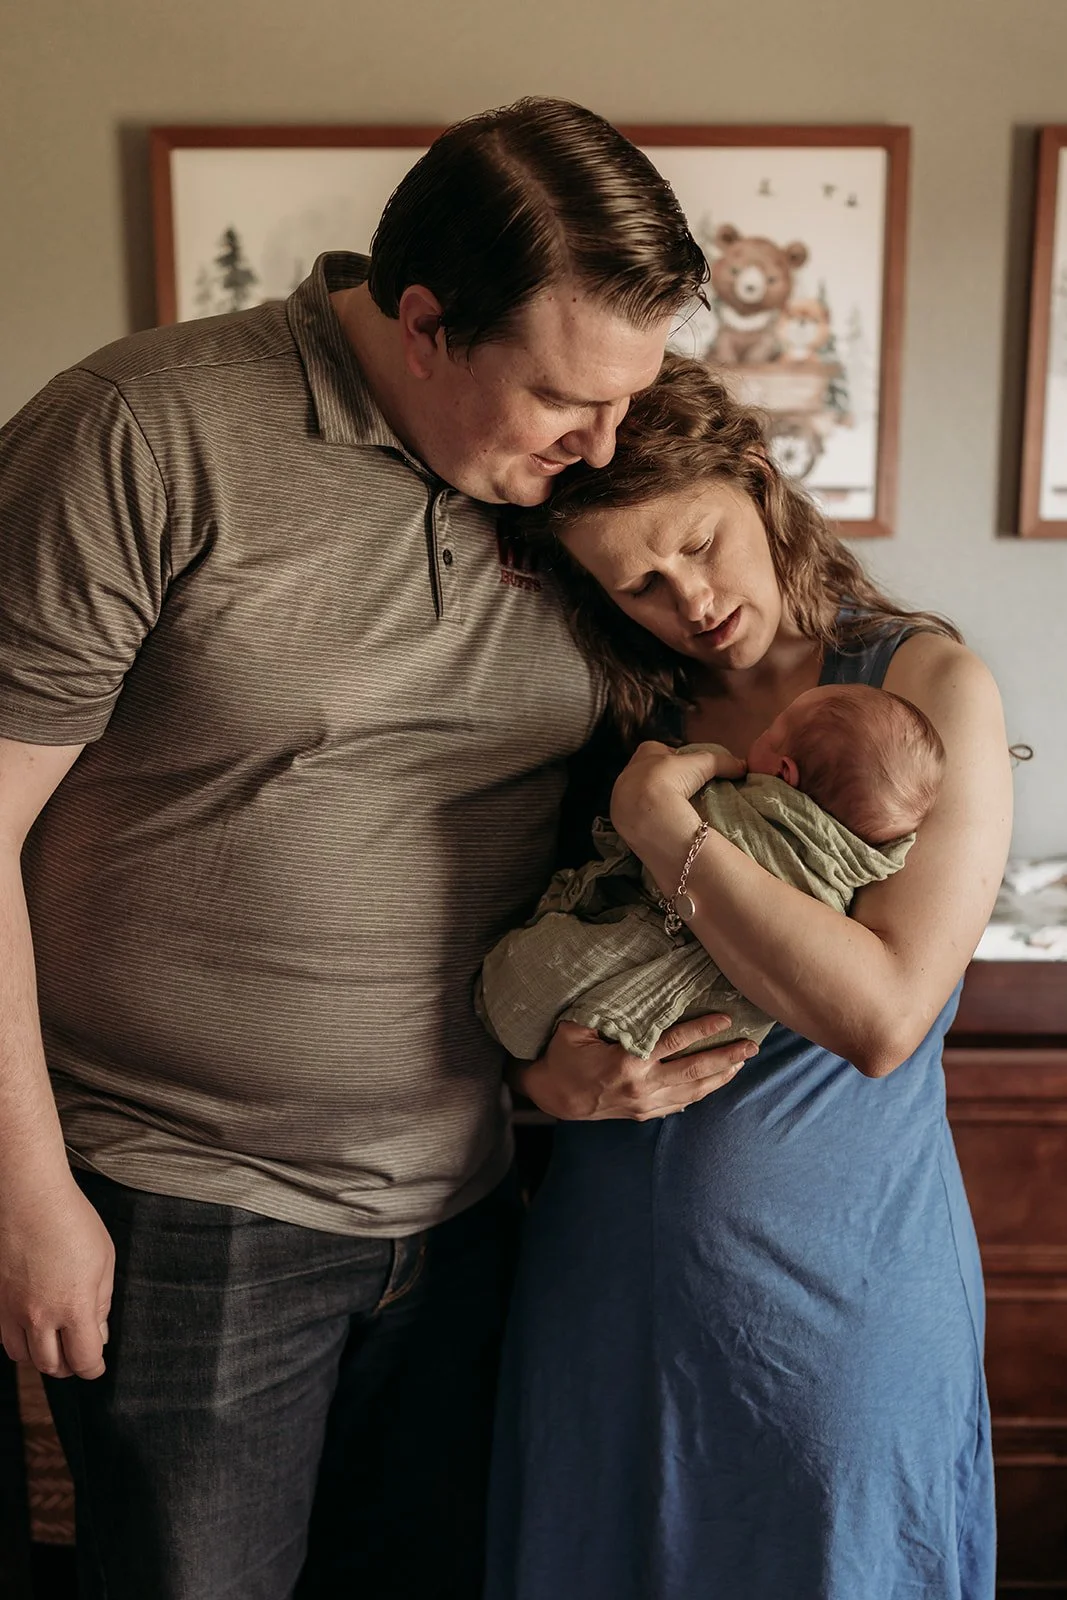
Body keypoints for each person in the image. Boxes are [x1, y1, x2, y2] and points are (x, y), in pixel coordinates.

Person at [0, 102, 755, 1600]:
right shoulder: (141, 431)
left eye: (628, 398)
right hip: (186, 1216)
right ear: (421, 323)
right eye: (563, 400)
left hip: (470, 1210)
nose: (602, 447)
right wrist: (24, 1195)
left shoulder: (574, 494)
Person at [485, 353, 1010, 1599]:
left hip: (837, 1303)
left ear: (758, 483)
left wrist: (664, 828)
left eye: (699, 545)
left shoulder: (920, 692)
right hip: (602, 1289)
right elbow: (521, 970)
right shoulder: (607, 715)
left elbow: (878, 1014)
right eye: (640, 584)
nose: (692, 600)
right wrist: (537, 1084)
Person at [477, 682, 946, 1064]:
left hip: (653, 947)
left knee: (526, 979)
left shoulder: (733, 805)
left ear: (785, 773)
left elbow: (662, 797)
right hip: (722, 1033)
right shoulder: (852, 873)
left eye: (770, 732)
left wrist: (680, 771)